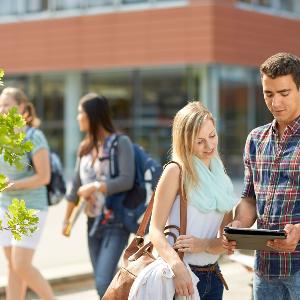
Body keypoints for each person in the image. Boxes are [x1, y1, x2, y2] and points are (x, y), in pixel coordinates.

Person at [223, 52, 300, 300]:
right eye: (269, 94)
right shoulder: (255, 139)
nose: (275, 102)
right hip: (264, 270)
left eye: (284, 93)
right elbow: (249, 198)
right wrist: (239, 226)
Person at [149, 101, 238, 299]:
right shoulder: (175, 171)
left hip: (213, 277)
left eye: (212, 135)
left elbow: (224, 241)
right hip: (179, 277)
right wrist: (177, 267)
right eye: (200, 141)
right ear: (185, 141)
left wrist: (205, 244)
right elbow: (154, 230)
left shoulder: (220, 175)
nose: (209, 145)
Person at [62, 92, 134, 298]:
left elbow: (126, 180)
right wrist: (66, 220)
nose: (77, 117)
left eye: (80, 113)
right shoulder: (85, 148)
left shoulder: (121, 143)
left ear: (92, 116)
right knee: (106, 280)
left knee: (103, 282)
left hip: (115, 222)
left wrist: (95, 186)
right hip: (92, 223)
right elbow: (74, 186)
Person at [0, 87, 55, 300]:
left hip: (31, 206)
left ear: (21, 107)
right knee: (12, 266)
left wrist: (13, 185)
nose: (1, 109)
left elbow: (44, 177)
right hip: (5, 206)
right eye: (0, 105)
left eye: (6, 104)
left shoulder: (34, 136)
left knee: (21, 264)